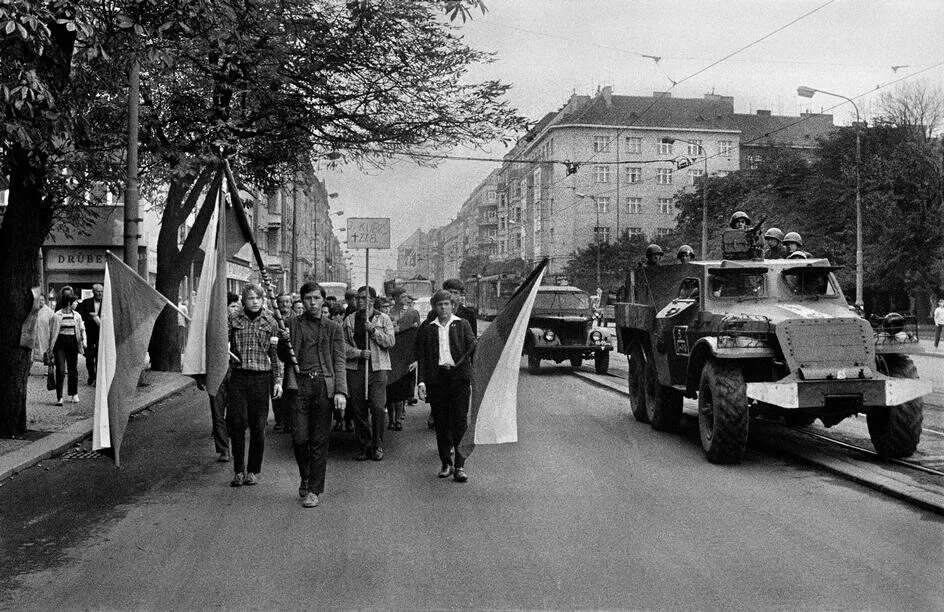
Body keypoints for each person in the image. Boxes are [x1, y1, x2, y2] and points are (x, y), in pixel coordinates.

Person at [279, 282, 348, 508]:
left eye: (317, 298)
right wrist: (282, 340)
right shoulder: (291, 324)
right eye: (308, 298)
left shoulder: (333, 328)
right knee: (300, 438)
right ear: (302, 300)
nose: (313, 303)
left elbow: (339, 361)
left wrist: (340, 391)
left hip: (323, 386)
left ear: (323, 300)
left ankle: (314, 489)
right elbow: (284, 356)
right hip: (299, 386)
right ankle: (305, 475)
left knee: (319, 440)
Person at [416, 289, 476, 482]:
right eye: (440, 304)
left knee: (459, 422)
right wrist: (422, 382)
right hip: (437, 379)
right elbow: (423, 357)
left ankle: (460, 465)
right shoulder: (428, 328)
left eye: (446, 304)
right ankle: (445, 463)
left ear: (452, 306)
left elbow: (472, 346)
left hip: (459, 379)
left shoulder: (462, 324)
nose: (443, 308)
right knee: (441, 423)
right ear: (435, 307)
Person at [226, 284, 282, 487]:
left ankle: (252, 470)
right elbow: (222, 343)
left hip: (261, 378)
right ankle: (238, 470)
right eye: (250, 298)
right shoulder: (233, 319)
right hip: (239, 377)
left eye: (258, 298)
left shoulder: (271, 322)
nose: (255, 301)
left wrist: (277, 380)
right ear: (244, 300)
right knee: (237, 423)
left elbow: (274, 355)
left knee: (258, 426)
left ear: (263, 300)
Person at [343, 286, 395, 461]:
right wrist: (358, 353)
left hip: (378, 369)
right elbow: (342, 346)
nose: (359, 301)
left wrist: (373, 331)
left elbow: (390, 342)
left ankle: (378, 443)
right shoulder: (349, 320)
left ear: (372, 300)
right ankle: (364, 445)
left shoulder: (384, 318)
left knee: (378, 407)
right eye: (358, 298)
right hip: (356, 369)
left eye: (364, 298)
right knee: (358, 410)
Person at [208, 292, 240, 462]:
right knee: (218, 413)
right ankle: (223, 449)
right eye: (232, 306)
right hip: (216, 372)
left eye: (237, 306)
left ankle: (236, 447)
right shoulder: (212, 325)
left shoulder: (240, 324)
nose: (236, 309)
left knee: (235, 413)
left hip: (235, 371)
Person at [387, 290, 421, 431]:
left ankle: (398, 419)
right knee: (390, 387)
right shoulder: (388, 314)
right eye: (402, 296)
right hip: (391, 353)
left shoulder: (413, 312)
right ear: (395, 298)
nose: (405, 298)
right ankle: (391, 419)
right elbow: (388, 331)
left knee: (401, 387)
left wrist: (415, 356)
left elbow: (418, 332)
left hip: (406, 353)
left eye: (406, 296)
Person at [48, 287, 85, 406]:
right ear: (68, 302)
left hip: (73, 343)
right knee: (60, 370)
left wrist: (83, 341)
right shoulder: (57, 315)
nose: (76, 303)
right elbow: (52, 332)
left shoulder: (77, 316)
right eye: (74, 301)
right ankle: (59, 397)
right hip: (60, 344)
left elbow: (81, 329)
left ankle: (74, 393)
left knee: (73, 369)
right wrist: (50, 348)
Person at [272, 292, 296, 434]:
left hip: (290, 360)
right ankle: (279, 419)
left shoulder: (296, 319)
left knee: (290, 391)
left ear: (291, 303)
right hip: (275, 356)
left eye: (287, 302)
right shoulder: (273, 319)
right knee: (276, 389)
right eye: (282, 302)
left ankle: (290, 421)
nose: (285, 305)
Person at [76, 283, 103, 385]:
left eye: (101, 292)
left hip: (101, 334)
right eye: (98, 292)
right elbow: (80, 314)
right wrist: (91, 317)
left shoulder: (107, 303)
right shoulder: (86, 302)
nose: (100, 294)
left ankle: (98, 378)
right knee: (90, 356)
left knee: (99, 356)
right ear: (93, 292)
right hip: (89, 333)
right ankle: (91, 375)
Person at [33, 293, 55, 365]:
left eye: (42, 300)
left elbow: (53, 327)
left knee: (46, 356)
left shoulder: (49, 312)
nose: (41, 301)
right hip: (34, 336)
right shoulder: (32, 310)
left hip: (45, 336)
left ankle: (49, 371)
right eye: (39, 300)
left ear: (45, 301)